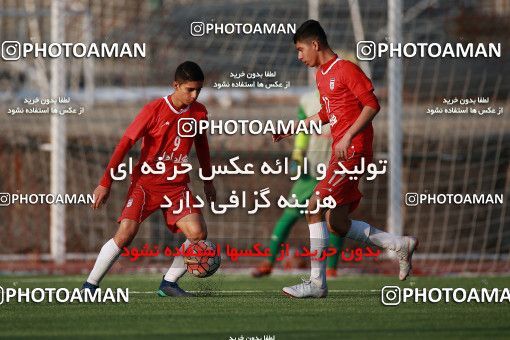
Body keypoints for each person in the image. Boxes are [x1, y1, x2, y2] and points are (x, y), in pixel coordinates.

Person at [273, 20, 418, 298]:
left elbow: (372, 105)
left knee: (313, 206)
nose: (299, 57)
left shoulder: (347, 69)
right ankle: (398, 244)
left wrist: (348, 135)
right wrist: (293, 128)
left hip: (353, 151)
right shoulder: (322, 75)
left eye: (301, 50)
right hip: (342, 153)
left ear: (315, 44)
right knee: (337, 223)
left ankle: (317, 284)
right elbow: (327, 115)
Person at [81, 61, 216, 297]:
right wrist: (105, 182)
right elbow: (125, 144)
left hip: (176, 186)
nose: (194, 95)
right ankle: (89, 286)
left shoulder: (199, 112)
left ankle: (169, 283)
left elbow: (202, 147)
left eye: (199, 90)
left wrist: (208, 181)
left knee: (198, 234)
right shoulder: (153, 109)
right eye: (189, 90)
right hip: (146, 184)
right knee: (125, 234)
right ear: (176, 85)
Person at [252, 91, 344, 278]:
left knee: (334, 219)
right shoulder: (308, 99)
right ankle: (269, 262)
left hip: (336, 171)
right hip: (310, 172)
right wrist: (297, 155)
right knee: (290, 214)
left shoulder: (348, 99)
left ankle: (332, 267)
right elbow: (302, 130)